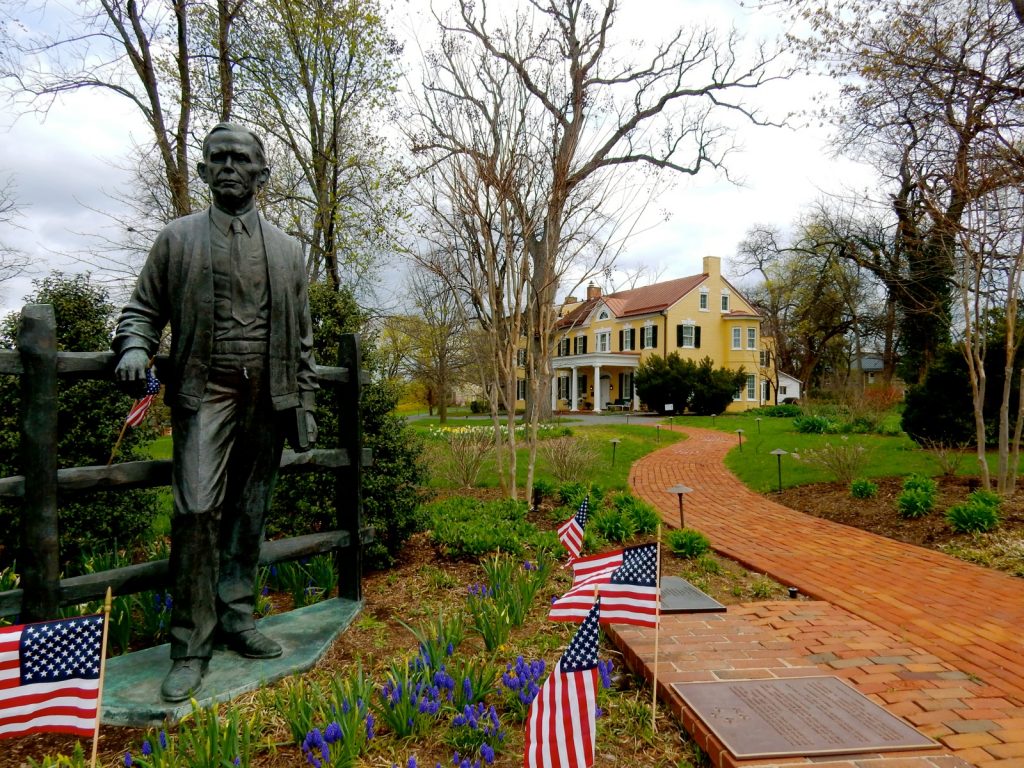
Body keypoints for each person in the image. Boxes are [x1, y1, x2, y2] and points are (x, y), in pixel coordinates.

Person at [113, 123, 318, 702]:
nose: (228, 166)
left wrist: (302, 403)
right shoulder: (177, 240)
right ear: (202, 170)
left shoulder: (287, 249)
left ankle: (236, 617)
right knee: (197, 509)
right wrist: (134, 347)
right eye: (217, 158)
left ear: (262, 174)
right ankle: (190, 645)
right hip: (207, 390)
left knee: (250, 512)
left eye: (240, 158)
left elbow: (302, 339)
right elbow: (141, 309)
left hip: (268, 396)